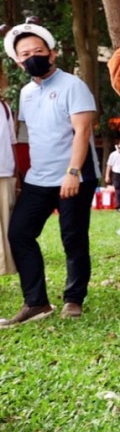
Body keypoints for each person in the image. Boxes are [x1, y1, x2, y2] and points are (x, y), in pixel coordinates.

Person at [0, 21, 100, 325]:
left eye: (38, 51)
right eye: (25, 54)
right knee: (19, 233)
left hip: (74, 176)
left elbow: (82, 131)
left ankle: (73, 298)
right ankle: (36, 303)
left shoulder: (73, 85)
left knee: (73, 237)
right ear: (18, 61)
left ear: (52, 54)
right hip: (38, 179)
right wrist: (21, 176)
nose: (32, 57)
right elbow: (30, 137)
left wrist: (72, 172)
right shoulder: (26, 93)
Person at [0, 58, 18, 278]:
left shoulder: (4, 107)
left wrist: (17, 177)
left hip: (4, 177)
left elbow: (12, 144)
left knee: (4, 239)